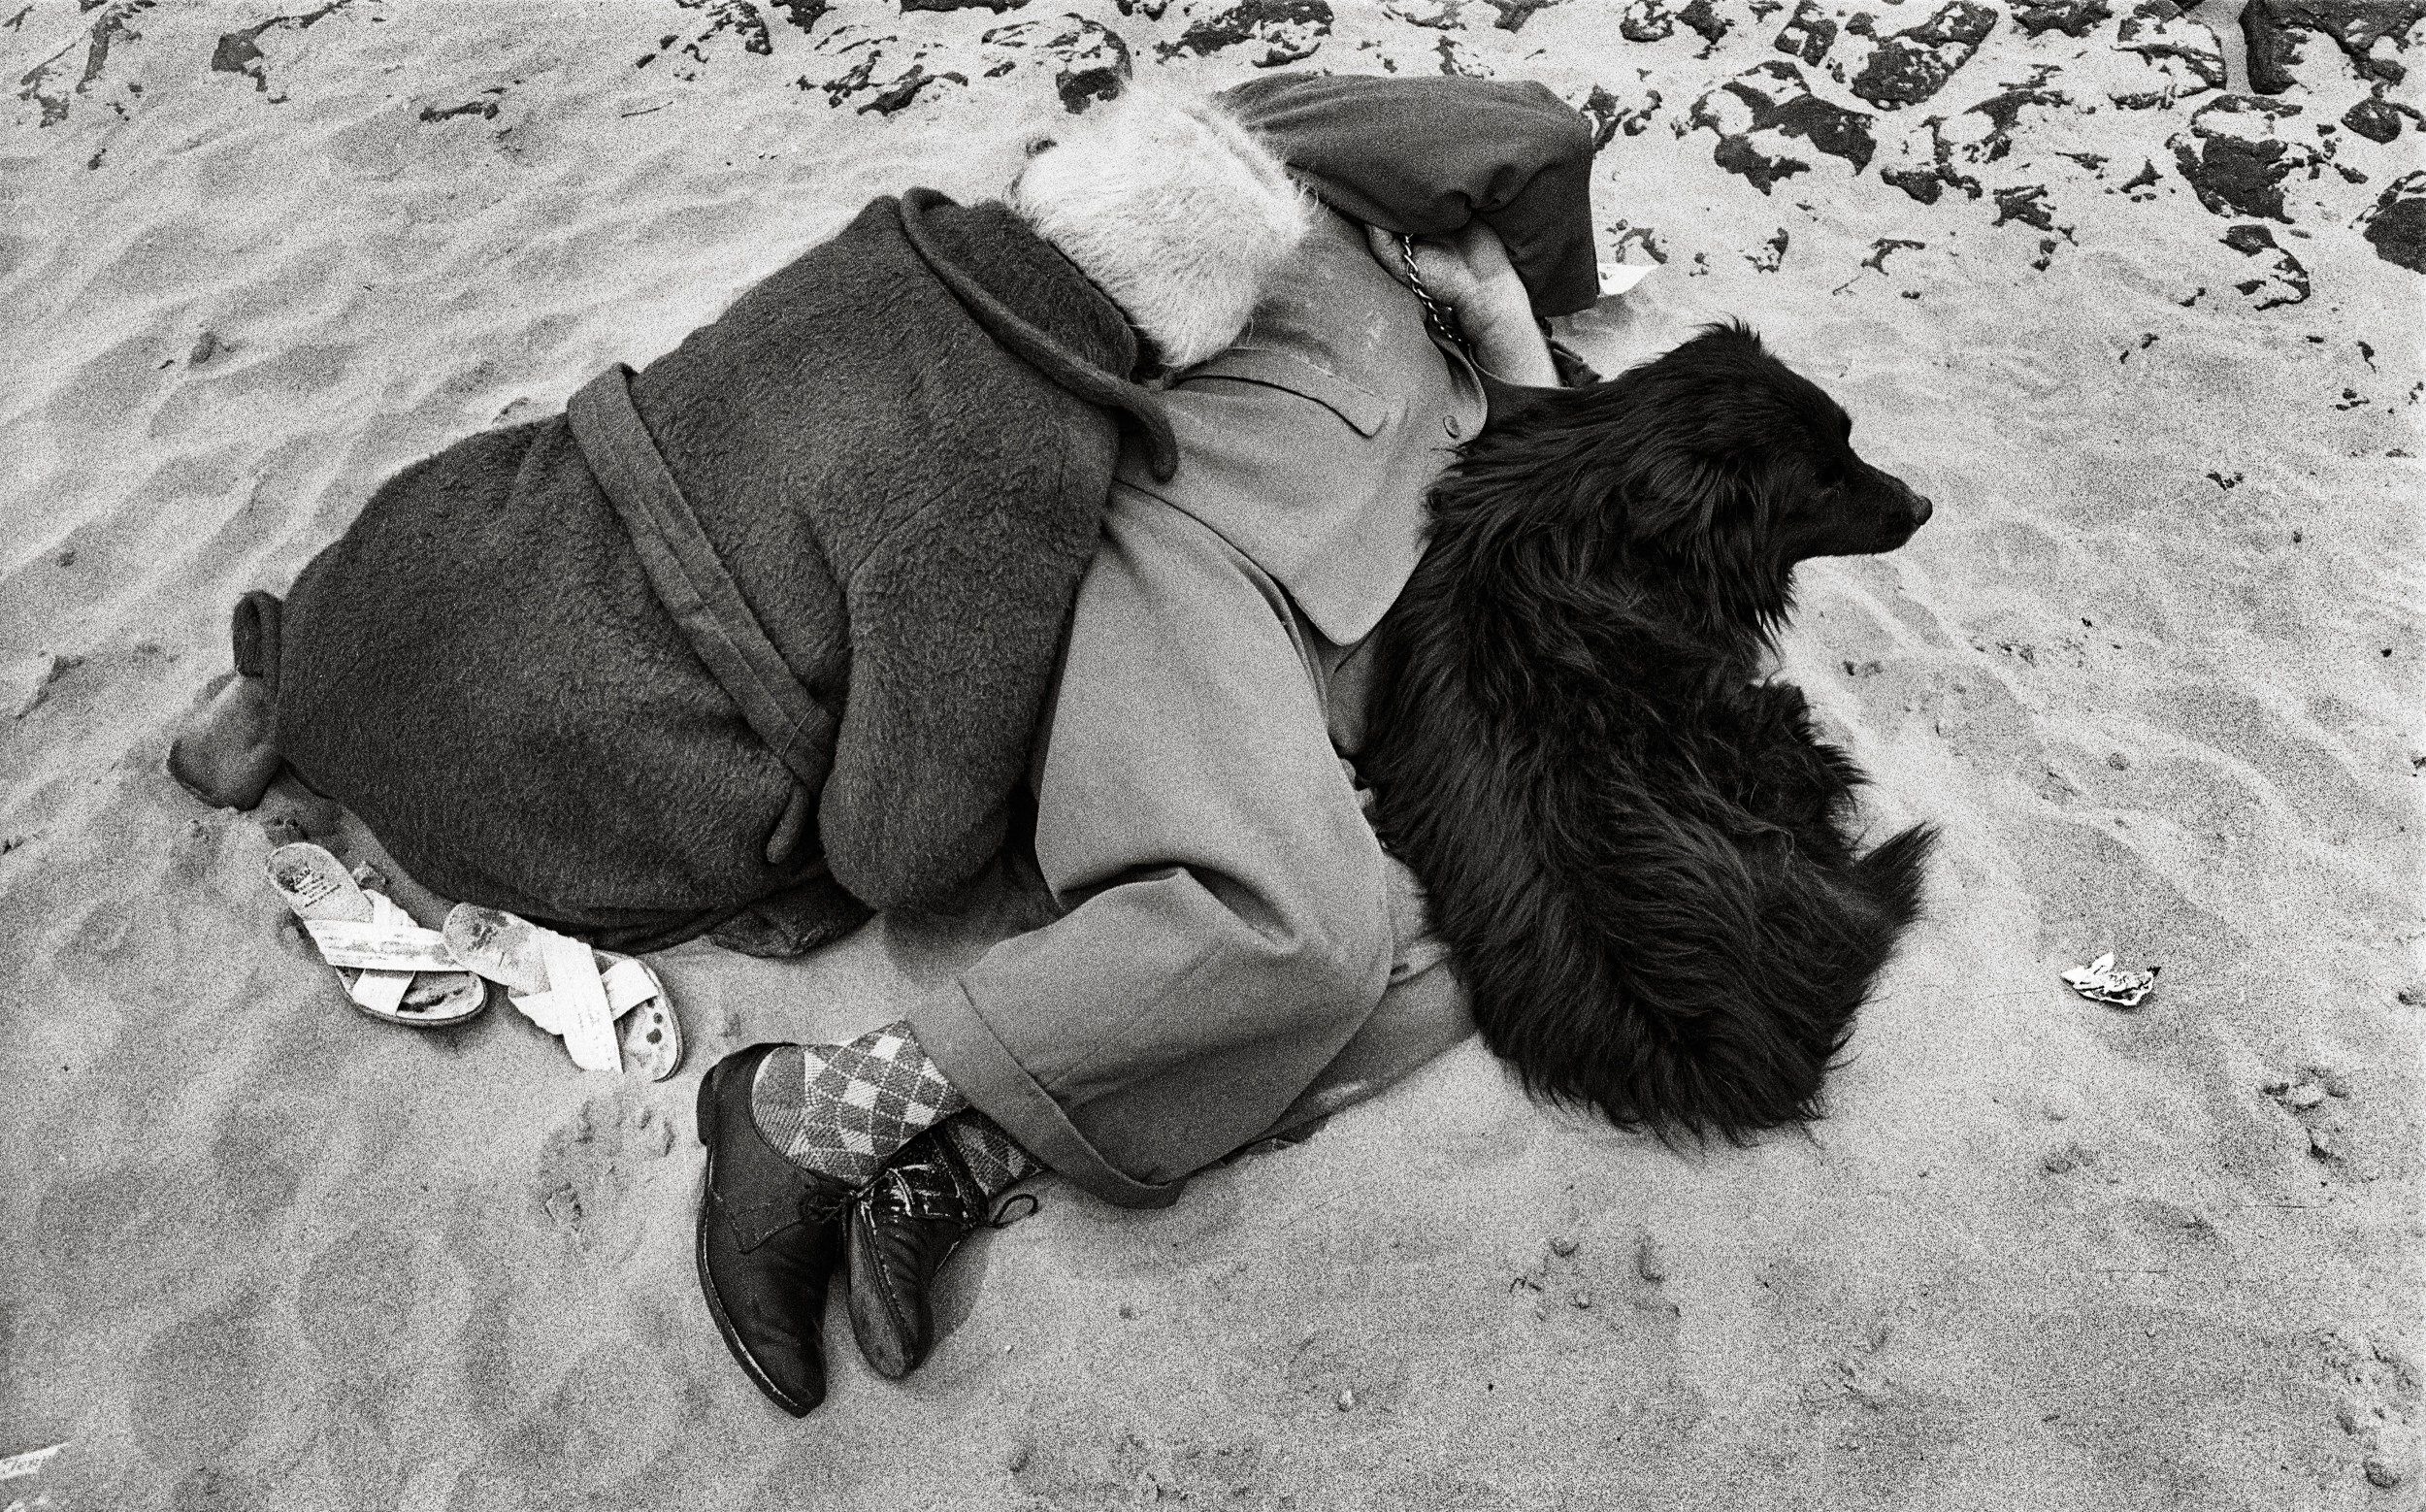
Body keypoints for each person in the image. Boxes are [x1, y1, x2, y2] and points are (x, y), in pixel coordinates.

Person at [694, 76, 1604, 1416]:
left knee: (1488, 935)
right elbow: (1489, 131)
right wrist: (1447, 219)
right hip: (1180, 577)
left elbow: (1557, 544)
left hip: (1312, 698)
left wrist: (1509, 321)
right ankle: (811, 1112)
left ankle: (965, 1152)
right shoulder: (1290, 205)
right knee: (1302, 933)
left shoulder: (1486, 359)